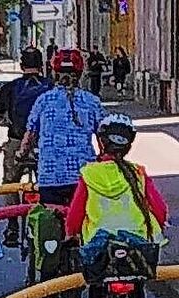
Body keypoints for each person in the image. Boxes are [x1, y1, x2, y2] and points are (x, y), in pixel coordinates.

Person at [63, 112, 168, 298]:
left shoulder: (90, 174)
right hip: (136, 245)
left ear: (101, 142)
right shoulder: (138, 173)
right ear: (129, 145)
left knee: (98, 266)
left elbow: (75, 214)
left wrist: (71, 233)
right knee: (137, 293)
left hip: (102, 245)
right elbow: (160, 209)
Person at [19, 49, 106, 207]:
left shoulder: (43, 100)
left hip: (50, 177)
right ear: (80, 73)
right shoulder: (92, 101)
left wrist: (22, 153)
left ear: (54, 73)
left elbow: (30, 134)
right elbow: (103, 135)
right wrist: (103, 156)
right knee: (85, 219)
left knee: (50, 217)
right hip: (84, 176)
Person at [0, 46, 52, 248]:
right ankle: (52, 218)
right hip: (44, 144)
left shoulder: (10, 88)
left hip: (16, 142)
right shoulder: (51, 88)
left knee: (9, 182)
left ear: (22, 65)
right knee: (50, 184)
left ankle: (13, 225)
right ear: (42, 66)